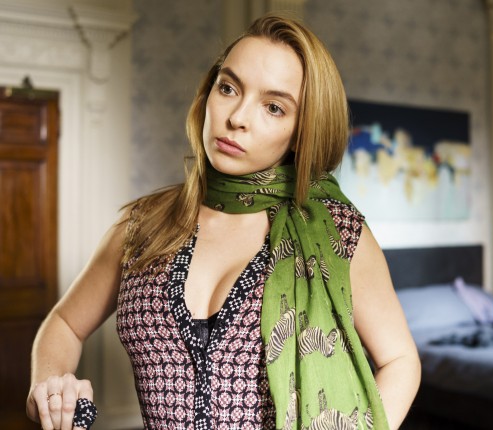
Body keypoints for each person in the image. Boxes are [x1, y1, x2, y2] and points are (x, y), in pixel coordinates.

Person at [26, 12, 420, 430]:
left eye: (274, 107)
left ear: (302, 131)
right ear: (208, 93)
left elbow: (400, 360)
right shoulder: (141, 227)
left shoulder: (336, 233)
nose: (237, 117)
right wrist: (49, 388)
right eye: (229, 88)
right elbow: (64, 324)